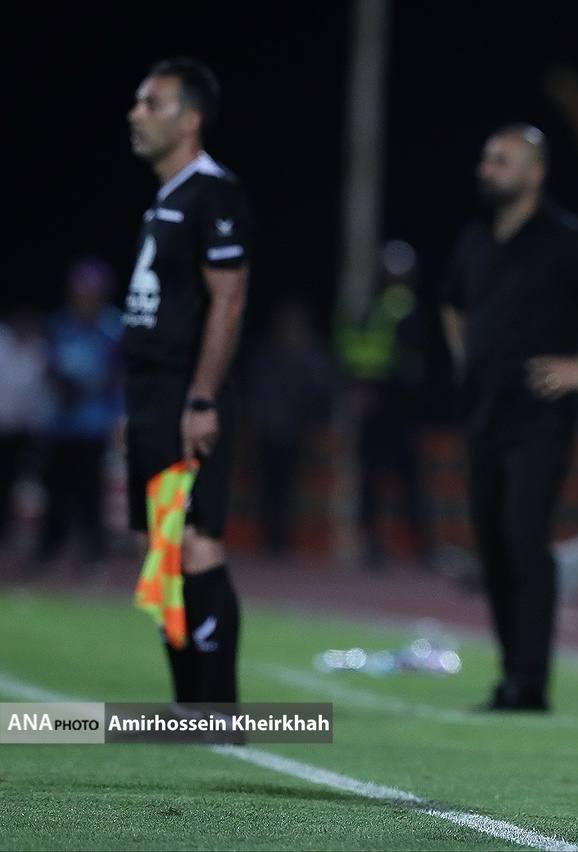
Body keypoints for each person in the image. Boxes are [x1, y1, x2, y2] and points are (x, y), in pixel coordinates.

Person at [442, 124, 578, 712]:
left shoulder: (566, 240)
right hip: (484, 410)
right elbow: (452, 304)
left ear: (535, 172)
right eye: (486, 159)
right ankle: (510, 676)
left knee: (525, 536)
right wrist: (467, 359)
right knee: (493, 543)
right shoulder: (476, 237)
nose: (488, 168)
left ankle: (530, 684)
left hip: (541, 414)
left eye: (502, 160)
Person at [123, 57, 250, 704]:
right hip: (152, 395)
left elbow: (228, 300)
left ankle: (216, 706)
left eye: (152, 103)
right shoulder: (168, 196)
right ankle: (187, 704)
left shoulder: (212, 193)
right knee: (161, 547)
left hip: (185, 394)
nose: (136, 114)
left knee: (196, 542)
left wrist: (200, 399)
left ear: (189, 119)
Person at [337, 241, 432, 570]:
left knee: (404, 479)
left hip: (395, 407)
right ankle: (377, 546)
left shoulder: (389, 306)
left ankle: (418, 546)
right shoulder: (379, 307)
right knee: (377, 478)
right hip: (381, 405)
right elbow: (365, 353)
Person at [37, 258, 124, 569]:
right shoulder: (59, 324)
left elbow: (119, 375)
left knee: (91, 490)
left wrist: (117, 415)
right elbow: (47, 368)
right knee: (55, 486)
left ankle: (94, 552)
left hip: (95, 423)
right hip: (61, 422)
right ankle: (50, 548)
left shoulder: (113, 327)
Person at [249, 302, 331, 557]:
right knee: (268, 485)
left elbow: (318, 391)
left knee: (289, 485)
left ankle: (284, 537)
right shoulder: (268, 355)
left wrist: (314, 423)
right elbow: (258, 390)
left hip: (296, 430)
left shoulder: (309, 357)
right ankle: (270, 537)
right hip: (270, 428)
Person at [0, 311, 54, 551]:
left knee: (26, 488)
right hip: (4, 427)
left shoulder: (40, 351)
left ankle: (19, 539)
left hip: (29, 431)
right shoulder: (2, 343)